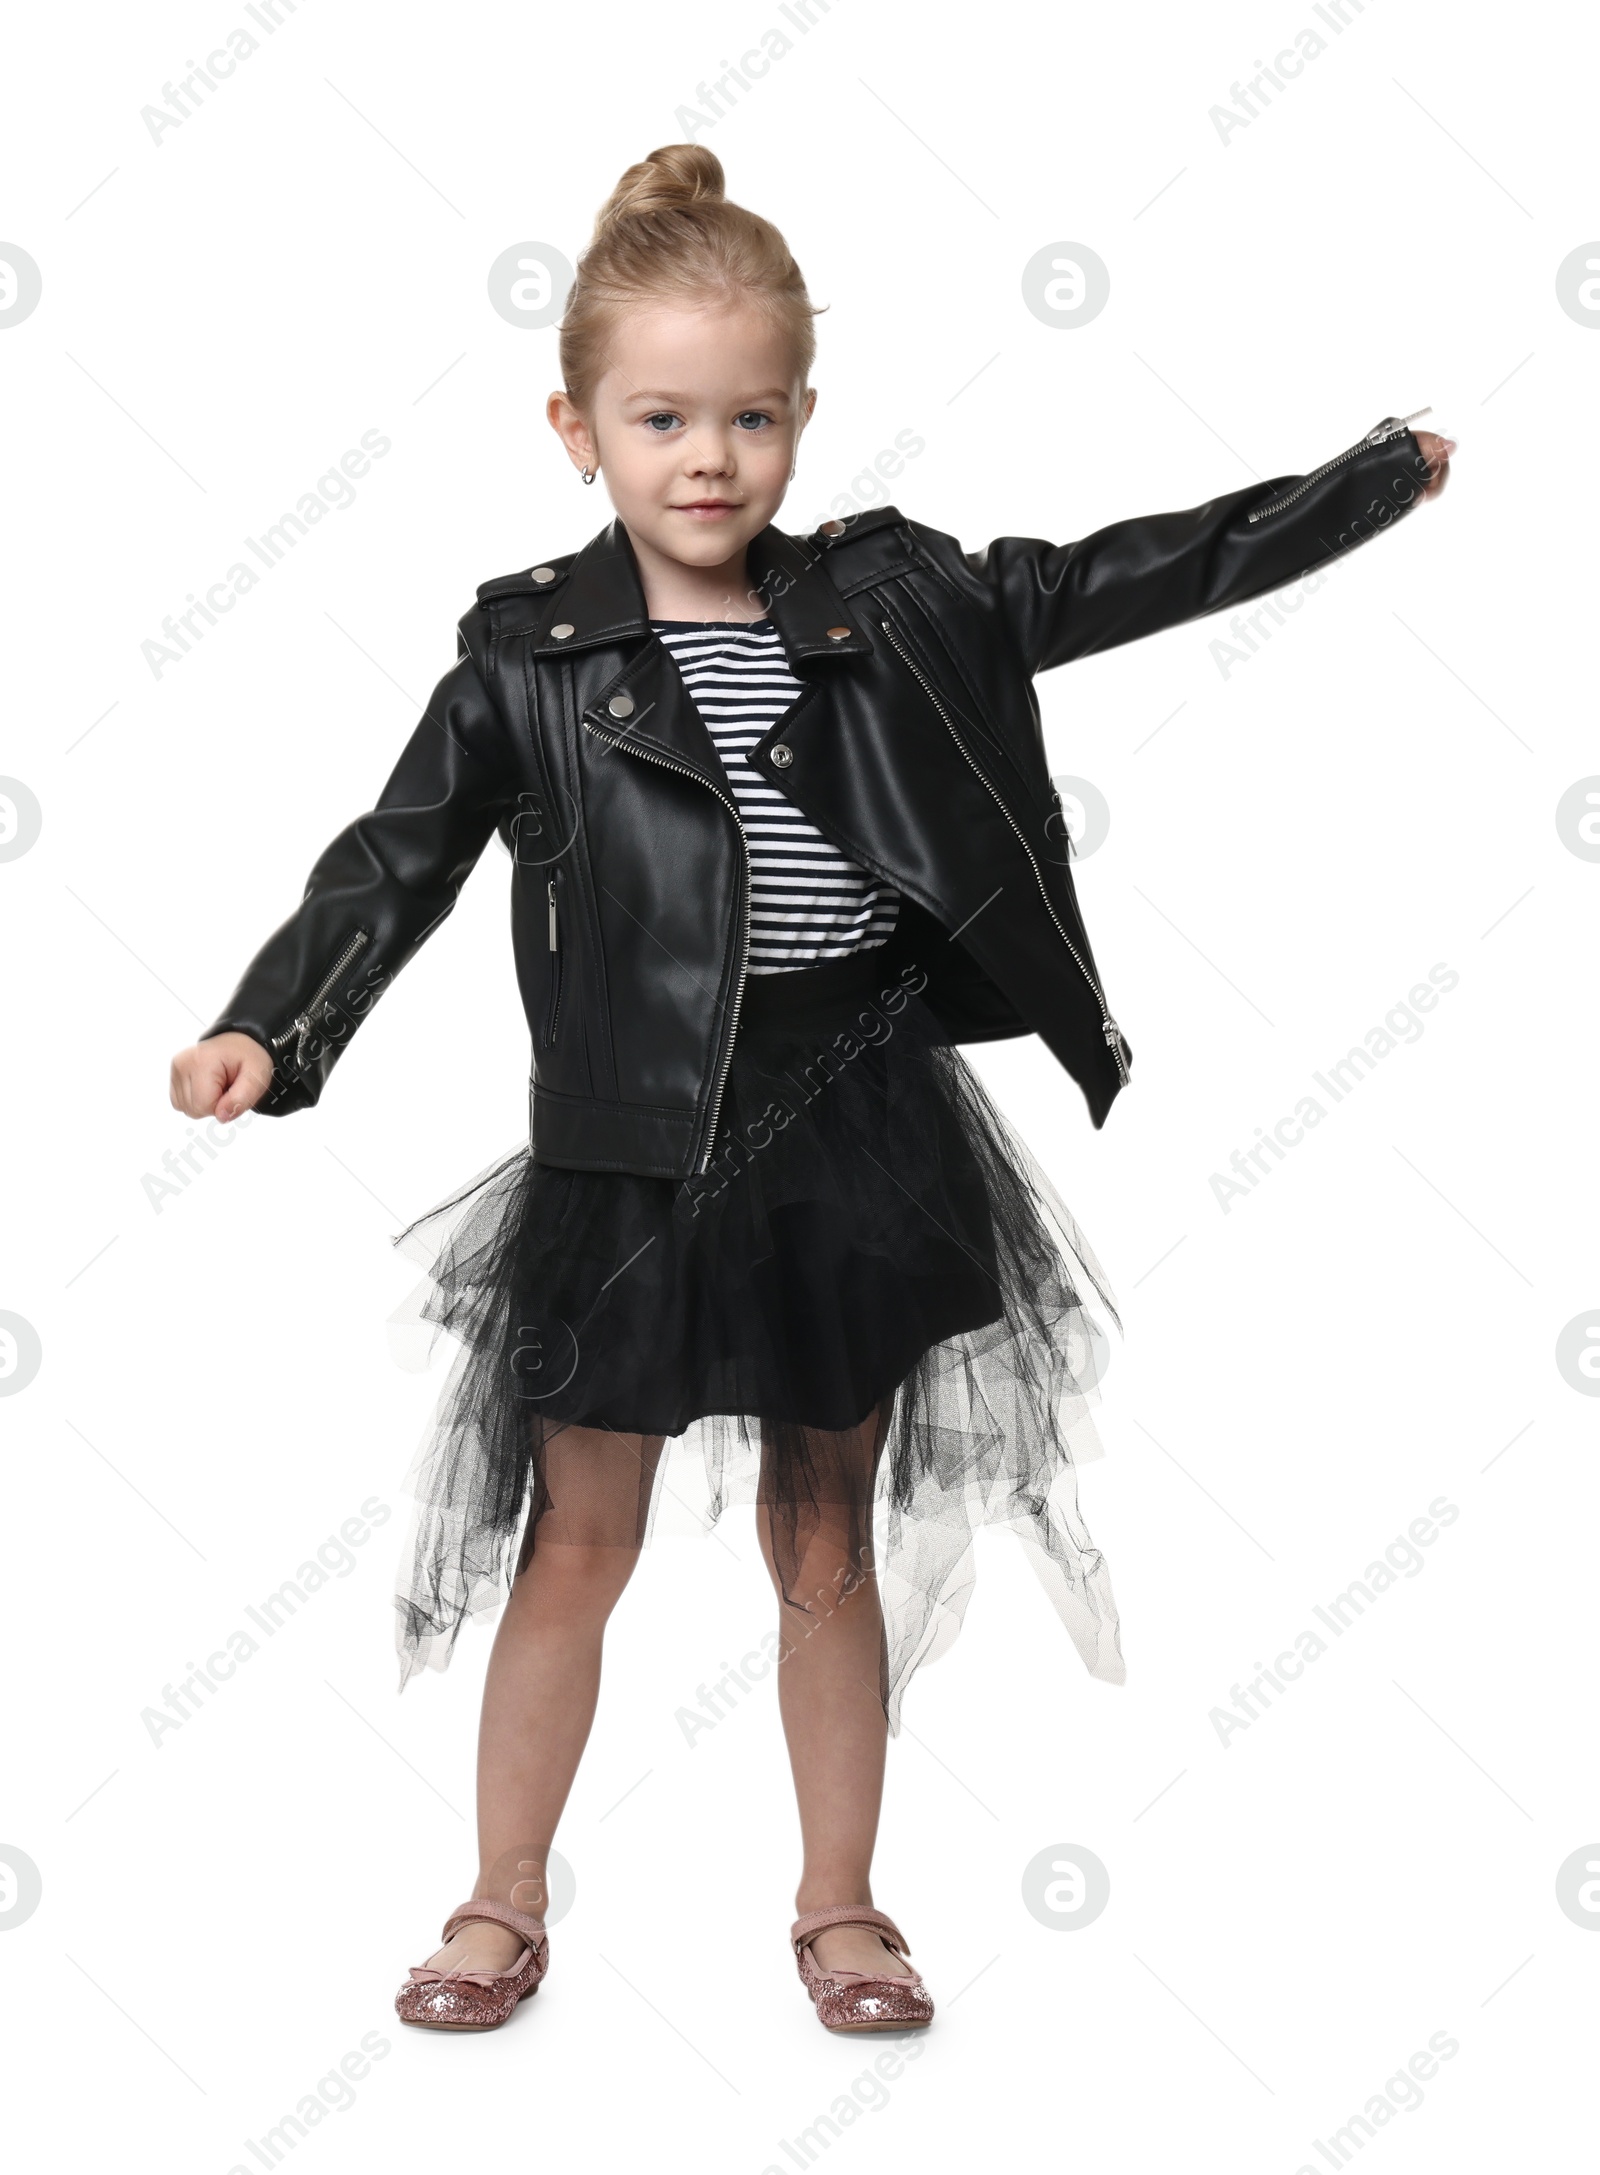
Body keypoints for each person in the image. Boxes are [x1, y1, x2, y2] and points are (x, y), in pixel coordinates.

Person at [169, 142, 1454, 2036]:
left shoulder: (893, 601)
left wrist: (1363, 487)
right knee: (575, 1537)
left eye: (749, 417)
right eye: (663, 417)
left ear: (800, 422)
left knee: (821, 1538)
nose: (709, 458)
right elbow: (395, 857)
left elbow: (1127, 570)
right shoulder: (530, 658)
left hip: (850, 1130)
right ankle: (497, 1898)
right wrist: (276, 1024)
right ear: (576, 427)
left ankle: (842, 1905)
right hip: (627, 1154)